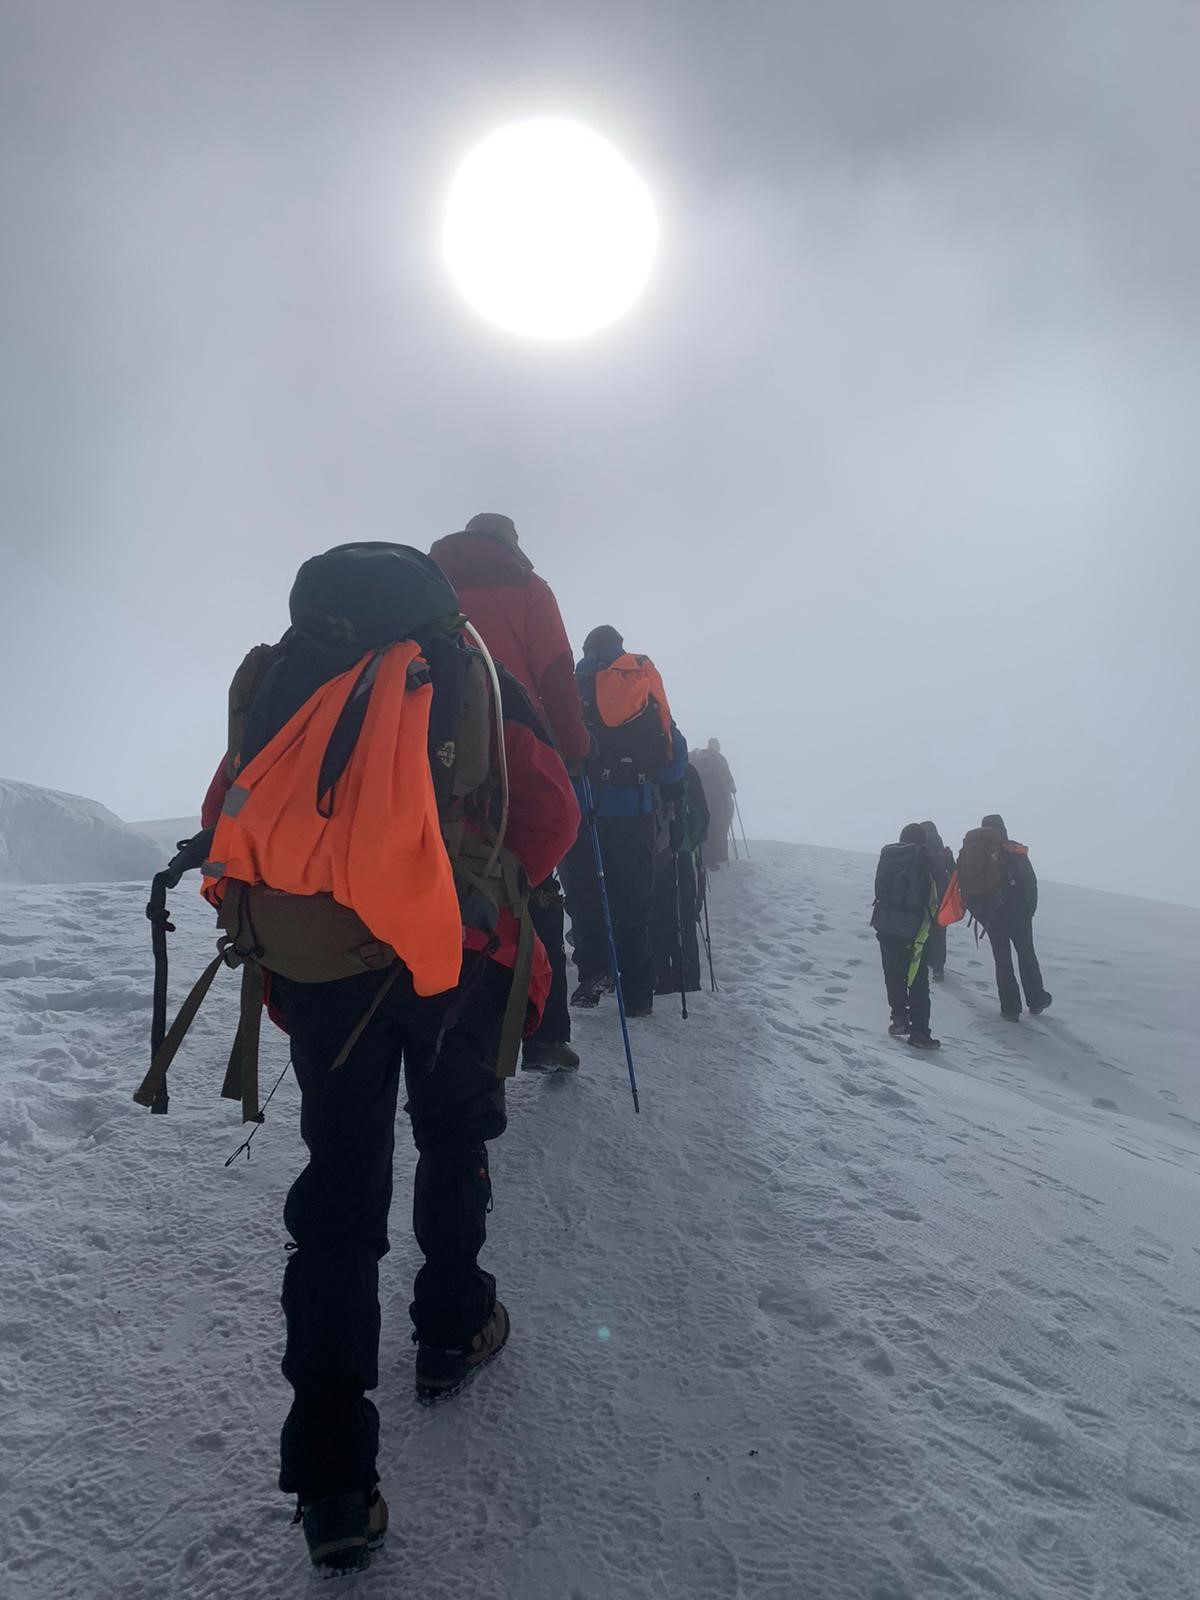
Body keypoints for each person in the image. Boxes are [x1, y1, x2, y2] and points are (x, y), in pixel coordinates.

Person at [196, 545, 579, 1573]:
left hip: (326, 972)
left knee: (341, 1194)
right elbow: (552, 813)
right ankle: (454, 1326)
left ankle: (334, 1486)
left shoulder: (292, 674)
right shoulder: (466, 673)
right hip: (452, 956)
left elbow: (225, 817)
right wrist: (473, 883)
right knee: (455, 1133)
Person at [430, 512, 590, 1071]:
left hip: (435, 746)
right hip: (514, 742)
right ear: (511, 543)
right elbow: (554, 671)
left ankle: (432, 1011)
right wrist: (572, 746)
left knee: (445, 866)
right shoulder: (528, 586)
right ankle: (542, 1033)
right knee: (530, 880)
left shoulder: (430, 583)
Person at [562, 625, 688, 1018]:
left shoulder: (571, 684)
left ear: (586, 649)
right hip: (634, 810)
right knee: (633, 903)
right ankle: (636, 995)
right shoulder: (640, 677)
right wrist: (667, 787)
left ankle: (593, 972)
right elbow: (673, 749)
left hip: (581, 811)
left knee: (585, 896)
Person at [870, 822, 941, 1049]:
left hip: (886, 926)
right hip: (914, 931)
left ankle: (899, 1019)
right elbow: (933, 898)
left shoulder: (889, 856)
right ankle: (920, 1032)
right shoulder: (923, 860)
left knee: (893, 975)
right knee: (918, 981)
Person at [977, 813, 1052, 1021]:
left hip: (993, 917)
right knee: (1026, 955)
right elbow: (1029, 882)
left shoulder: (978, 854)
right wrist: (1029, 911)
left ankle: (1010, 1008)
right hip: (1019, 914)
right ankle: (1036, 1000)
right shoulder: (1014, 849)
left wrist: (985, 916)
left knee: (1002, 961)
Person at [653, 762, 710, 997]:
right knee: (684, 915)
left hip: (650, 853)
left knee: (654, 915)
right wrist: (688, 841)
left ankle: (660, 978)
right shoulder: (685, 769)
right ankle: (687, 979)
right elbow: (701, 815)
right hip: (682, 852)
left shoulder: (646, 764)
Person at [691, 738, 736, 868]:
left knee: (714, 827)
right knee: (714, 827)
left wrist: (731, 785)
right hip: (714, 798)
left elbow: (727, 775)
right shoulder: (709, 757)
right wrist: (731, 786)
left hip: (715, 798)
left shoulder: (718, 759)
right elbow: (724, 775)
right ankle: (710, 859)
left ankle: (710, 858)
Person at [921, 820, 956, 981]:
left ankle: (924, 959)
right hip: (942, 896)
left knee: (923, 928)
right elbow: (955, 873)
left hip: (923, 895)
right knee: (940, 930)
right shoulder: (944, 851)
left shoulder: (920, 849)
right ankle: (938, 967)